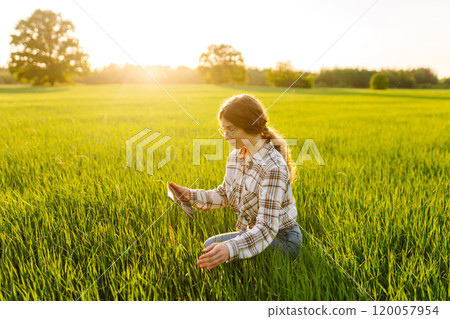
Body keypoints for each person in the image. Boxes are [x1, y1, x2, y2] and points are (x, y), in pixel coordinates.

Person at [169, 93, 303, 270]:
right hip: (253, 232)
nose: (225, 136)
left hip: (282, 239)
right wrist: (190, 196)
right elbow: (225, 194)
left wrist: (230, 248)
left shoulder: (273, 166)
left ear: (250, 125)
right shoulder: (236, 157)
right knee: (211, 247)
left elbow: (266, 229)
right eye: (223, 129)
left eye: (231, 129)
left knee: (215, 249)